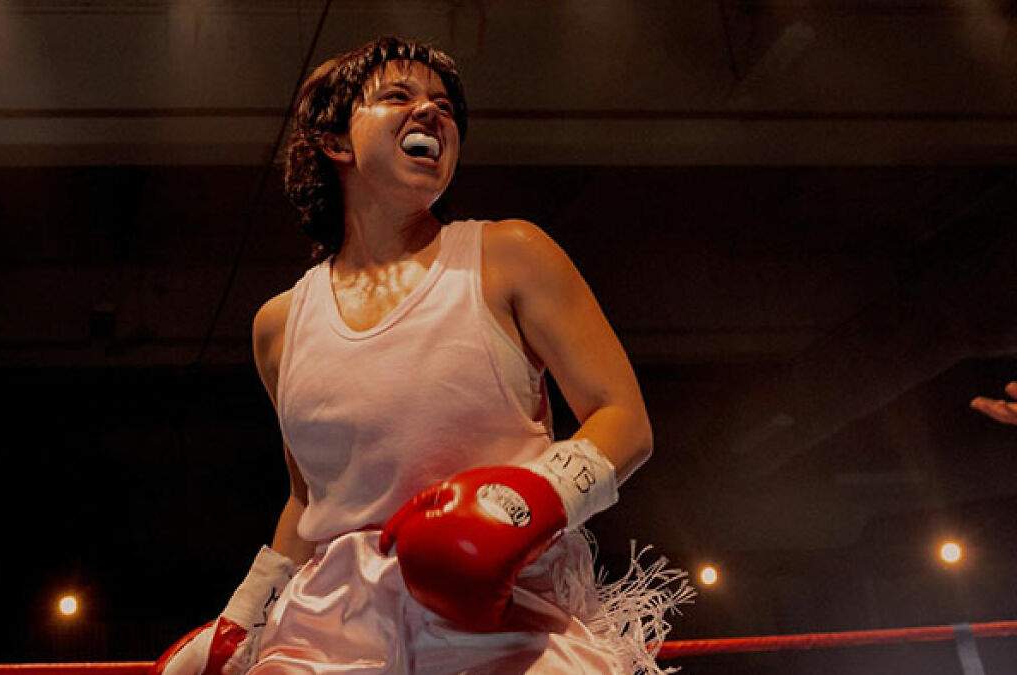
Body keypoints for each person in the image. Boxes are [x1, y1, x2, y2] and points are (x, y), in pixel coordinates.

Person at [151, 37, 689, 675]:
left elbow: (623, 416)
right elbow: (308, 499)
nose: (431, 113)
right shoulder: (280, 324)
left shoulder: (509, 256)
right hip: (328, 632)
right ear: (336, 142)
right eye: (398, 96)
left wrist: (526, 504)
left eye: (443, 106)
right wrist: (241, 618)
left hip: (504, 619)